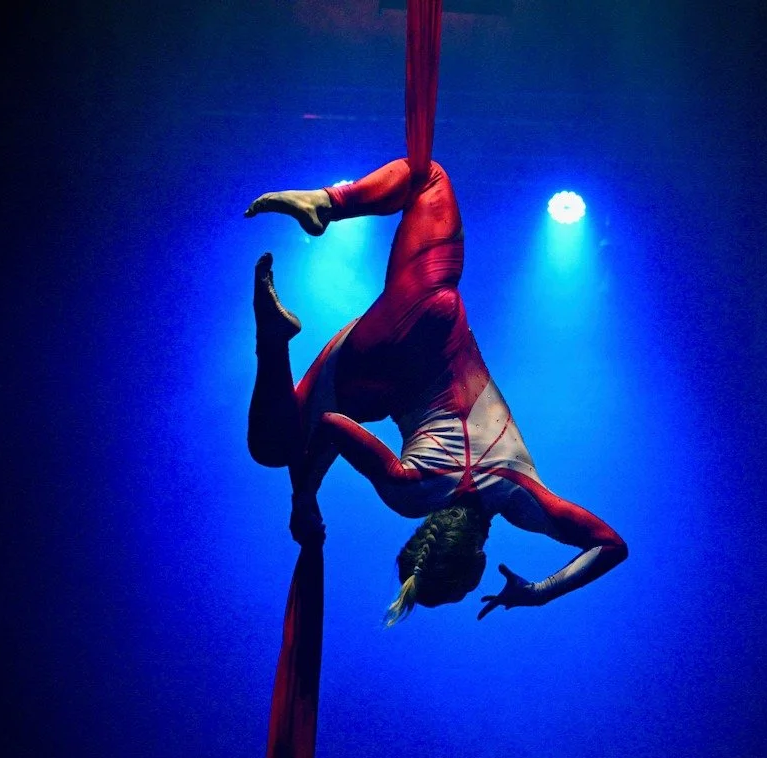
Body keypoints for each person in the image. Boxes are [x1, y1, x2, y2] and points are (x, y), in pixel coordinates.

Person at [243, 155, 628, 624]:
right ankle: (274, 341)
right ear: (424, 536)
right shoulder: (410, 493)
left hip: (434, 312)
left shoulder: (520, 499)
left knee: (426, 176)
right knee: (272, 446)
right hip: (373, 365)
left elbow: (610, 545)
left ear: (479, 561)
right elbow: (331, 425)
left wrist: (541, 591)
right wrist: (304, 497)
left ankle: (327, 202)